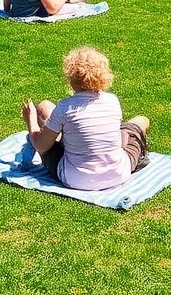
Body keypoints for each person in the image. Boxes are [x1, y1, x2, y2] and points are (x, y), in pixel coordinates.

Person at [22, 46, 150, 191]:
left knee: (44, 113)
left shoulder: (65, 107)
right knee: (140, 121)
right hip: (118, 174)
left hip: (76, 179)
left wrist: (30, 120)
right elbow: (122, 142)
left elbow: (41, 146)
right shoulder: (112, 101)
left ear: (71, 78)